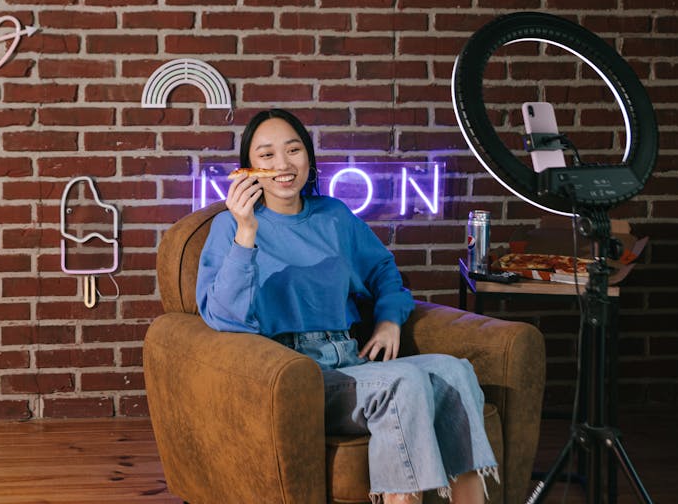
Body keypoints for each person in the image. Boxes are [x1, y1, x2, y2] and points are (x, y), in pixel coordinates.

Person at [197, 109, 497, 504]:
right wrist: (247, 230)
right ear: (249, 169)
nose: (283, 165)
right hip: (296, 374)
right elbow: (223, 317)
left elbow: (383, 271)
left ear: (308, 157)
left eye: (293, 150)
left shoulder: (334, 216)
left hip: (350, 360)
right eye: (267, 155)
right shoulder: (230, 227)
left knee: (454, 371)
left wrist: (389, 320)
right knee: (403, 383)